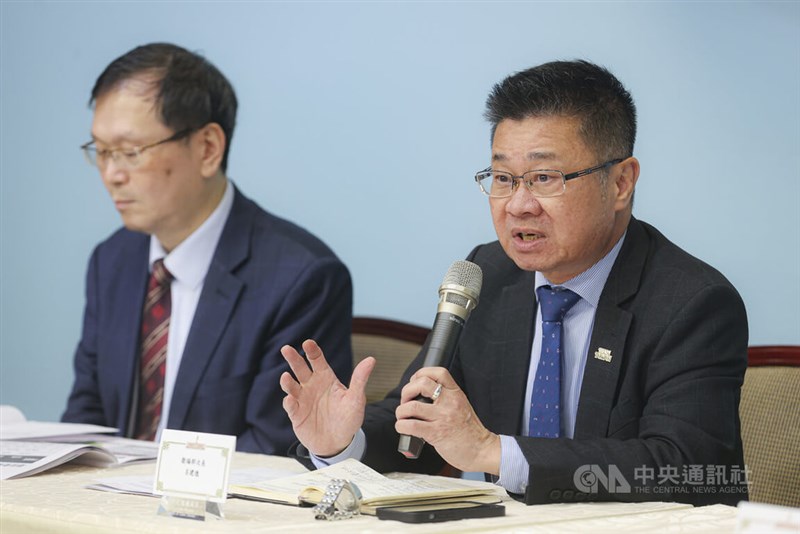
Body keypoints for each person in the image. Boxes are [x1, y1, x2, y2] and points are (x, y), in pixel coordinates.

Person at [279, 60, 749, 505]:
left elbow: (683, 468)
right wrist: (344, 442)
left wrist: (492, 452)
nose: (518, 205)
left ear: (622, 182)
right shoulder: (490, 274)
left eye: (544, 177)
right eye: (503, 177)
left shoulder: (692, 302)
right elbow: (420, 422)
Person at [62, 43, 353, 455]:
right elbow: (87, 416)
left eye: (129, 152)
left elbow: (275, 449)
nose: (111, 174)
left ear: (207, 149)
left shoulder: (301, 278)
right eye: (102, 152)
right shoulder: (112, 260)